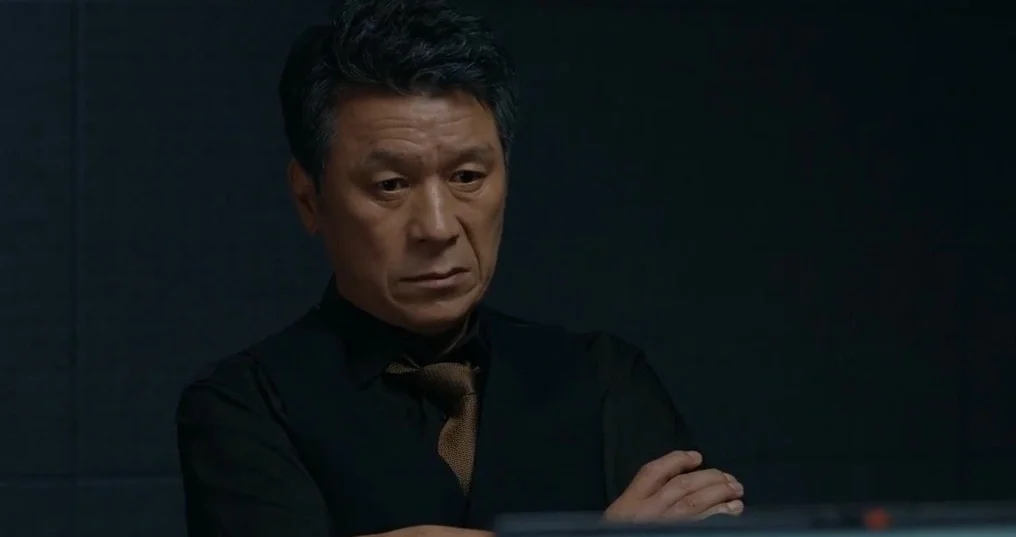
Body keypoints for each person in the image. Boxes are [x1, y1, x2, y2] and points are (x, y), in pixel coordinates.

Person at [175, 1, 745, 536]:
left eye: (467, 177)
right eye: (391, 184)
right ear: (309, 199)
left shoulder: (605, 381)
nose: (438, 226)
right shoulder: (245, 406)